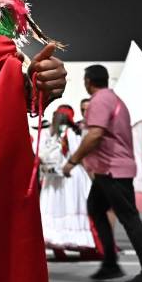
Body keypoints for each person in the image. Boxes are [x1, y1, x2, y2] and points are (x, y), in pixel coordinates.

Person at [62, 65, 142, 282]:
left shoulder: (100, 99)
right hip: (107, 170)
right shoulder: (113, 99)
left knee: (129, 217)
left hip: (112, 170)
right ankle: (110, 264)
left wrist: (72, 161)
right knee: (96, 208)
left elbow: (95, 135)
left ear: (88, 81)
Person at [38, 105, 102, 259]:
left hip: (52, 177)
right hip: (70, 176)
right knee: (73, 207)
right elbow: (77, 153)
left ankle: (58, 249)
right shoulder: (72, 132)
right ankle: (82, 247)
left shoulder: (48, 133)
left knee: (53, 210)